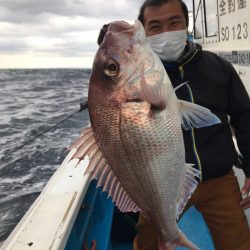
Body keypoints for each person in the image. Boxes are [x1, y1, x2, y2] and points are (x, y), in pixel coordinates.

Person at [97, 0, 250, 249]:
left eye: (174, 22)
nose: (166, 32)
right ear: (145, 33)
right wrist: (112, 50)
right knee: (147, 243)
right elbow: (109, 109)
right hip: (160, 182)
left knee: (238, 243)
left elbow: (245, 118)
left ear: (186, 24)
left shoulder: (218, 67)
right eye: (155, 26)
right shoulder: (145, 69)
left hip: (218, 179)